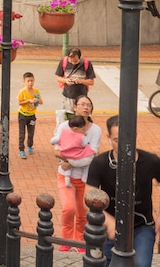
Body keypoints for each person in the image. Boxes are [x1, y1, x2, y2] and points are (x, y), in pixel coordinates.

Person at [87, 115, 160, 267]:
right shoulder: (100, 163)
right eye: (116, 140)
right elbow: (87, 199)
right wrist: (109, 221)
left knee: (141, 264)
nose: (123, 145)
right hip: (109, 227)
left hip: (142, 226)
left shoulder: (150, 161)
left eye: (127, 138)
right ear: (108, 137)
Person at [51, 95, 102, 249]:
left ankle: (80, 244)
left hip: (85, 179)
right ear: (75, 107)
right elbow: (57, 152)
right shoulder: (64, 127)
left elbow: (92, 155)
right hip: (65, 176)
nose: (86, 107)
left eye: (89, 105)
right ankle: (65, 243)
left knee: (82, 214)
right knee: (69, 208)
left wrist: (71, 162)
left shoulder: (96, 130)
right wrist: (74, 159)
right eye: (82, 104)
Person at [54, 115, 96, 188]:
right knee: (86, 165)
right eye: (83, 129)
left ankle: (67, 179)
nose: (84, 130)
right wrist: (84, 136)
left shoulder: (65, 132)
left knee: (68, 167)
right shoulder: (81, 136)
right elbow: (84, 144)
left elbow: (54, 140)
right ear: (76, 128)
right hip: (77, 154)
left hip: (66, 153)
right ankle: (84, 177)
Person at [55, 47, 95, 117]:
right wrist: (65, 81)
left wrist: (81, 81)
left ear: (80, 57)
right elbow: (58, 78)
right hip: (68, 95)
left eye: (76, 61)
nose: (73, 63)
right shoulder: (64, 61)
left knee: (81, 116)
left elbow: (91, 82)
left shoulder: (86, 63)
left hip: (81, 96)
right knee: (68, 116)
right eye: (71, 61)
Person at [17, 71, 42, 159]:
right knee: (22, 133)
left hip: (32, 115)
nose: (30, 83)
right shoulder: (22, 91)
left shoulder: (36, 91)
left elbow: (41, 102)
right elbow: (19, 102)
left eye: (31, 81)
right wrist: (28, 101)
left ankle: (30, 146)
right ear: (24, 81)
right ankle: (21, 150)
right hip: (23, 115)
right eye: (28, 81)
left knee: (31, 132)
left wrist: (37, 100)